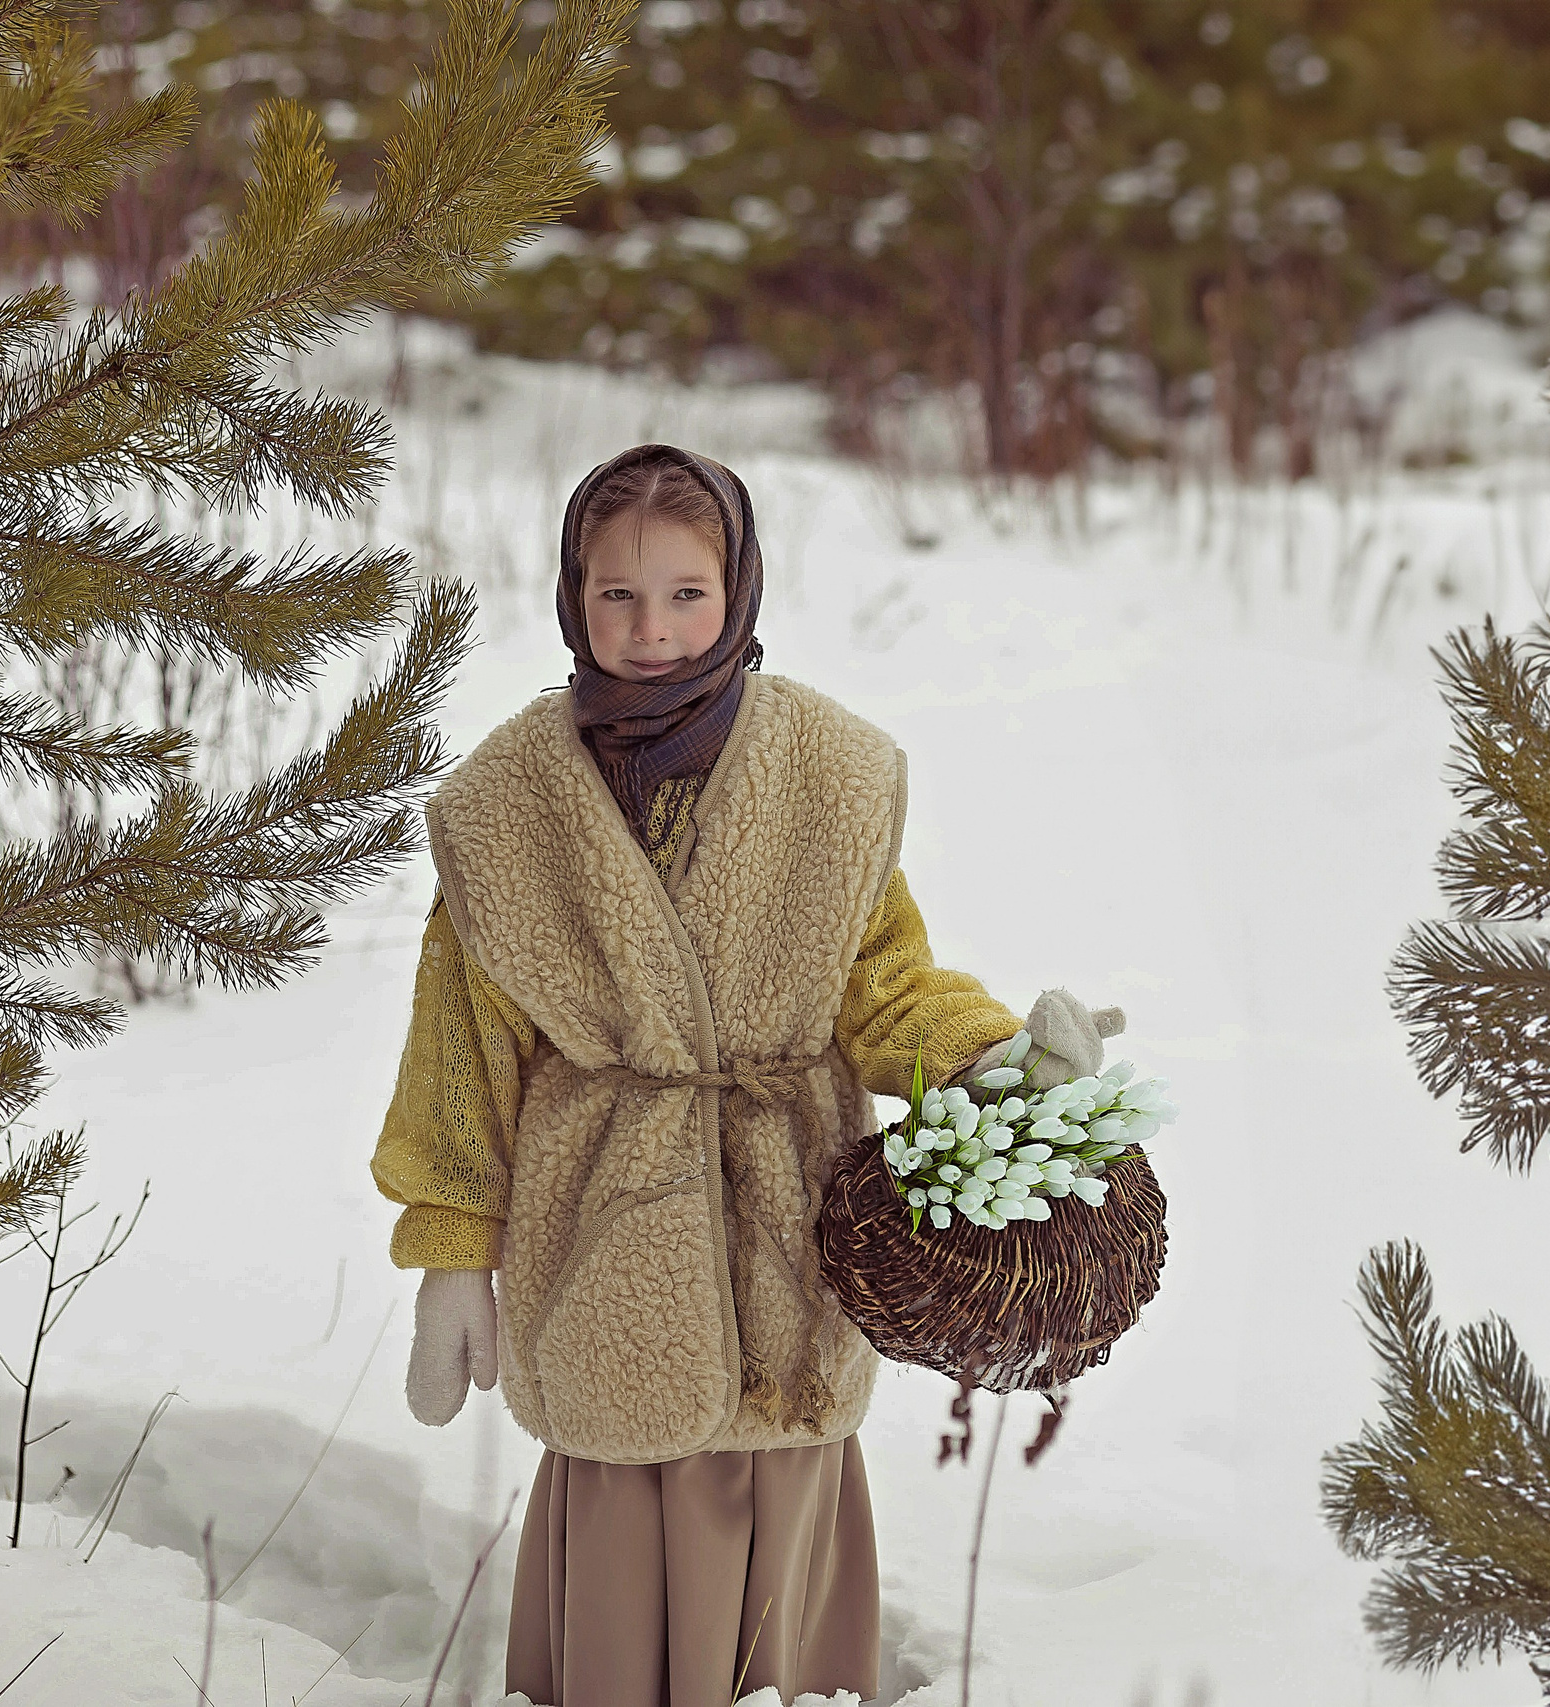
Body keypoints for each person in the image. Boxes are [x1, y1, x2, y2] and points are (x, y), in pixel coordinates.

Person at [369, 442, 1123, 1707]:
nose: (650, 629)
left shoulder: (827, 776)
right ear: (572, 595)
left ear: (738, 593)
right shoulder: (507, 808)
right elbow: (460, 1048)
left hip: (785, 1200)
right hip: (599, 1214)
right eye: (617, 594)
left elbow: (883, 983)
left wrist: (994, 1060)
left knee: (781, 1456)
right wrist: (452, 1247)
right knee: (623, 1447)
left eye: (685, 593)